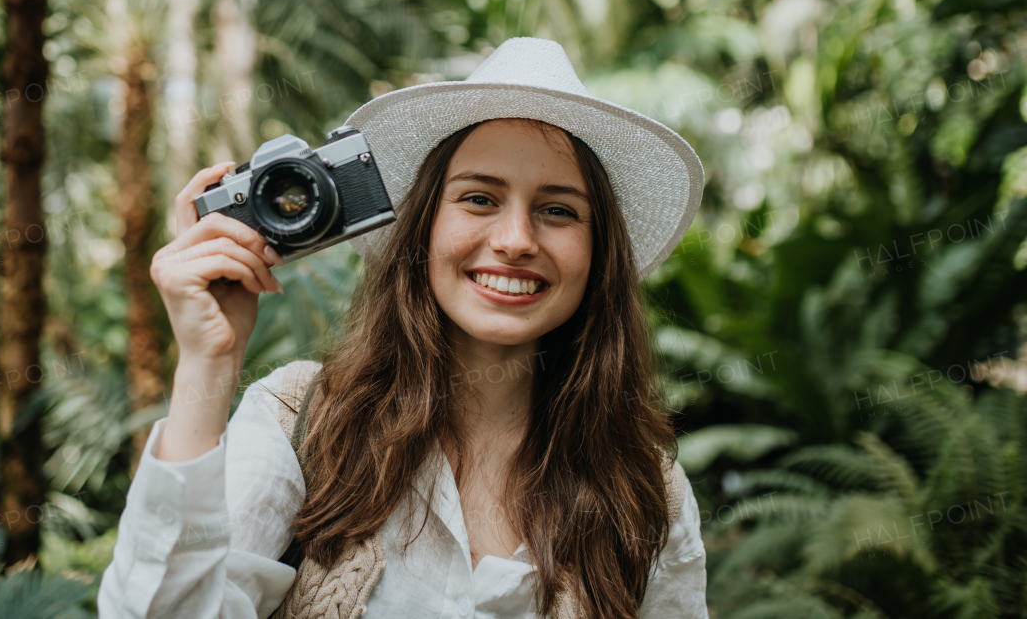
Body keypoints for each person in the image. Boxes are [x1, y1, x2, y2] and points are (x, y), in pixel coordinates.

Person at [98, 37, 707, 619]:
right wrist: (208, 364)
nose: (516, 240)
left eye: (557, 211)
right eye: (478, 199)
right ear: (423, 228)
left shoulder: (649, 492)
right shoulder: (299, 423)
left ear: (598, 252)